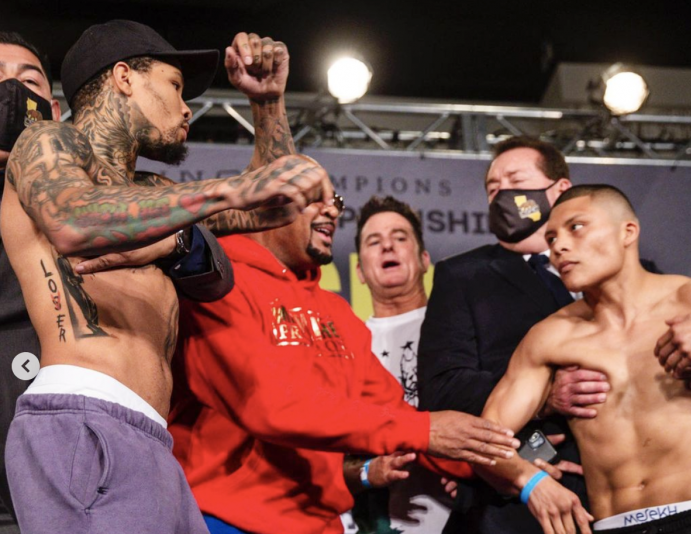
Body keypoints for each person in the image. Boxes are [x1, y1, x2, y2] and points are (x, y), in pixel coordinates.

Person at [167, 40, 520, 534]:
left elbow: (391, 412)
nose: (331, 210)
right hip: (226, 520)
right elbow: (268, 405)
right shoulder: (219, 284)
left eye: (334, 200)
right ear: (267, 204)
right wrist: (425, 430)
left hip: (323, 522)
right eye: (314, 198)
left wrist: (520, 474)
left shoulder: (337, 314)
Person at [1, 21, 337, 533]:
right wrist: (228, 190)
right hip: (82, 417)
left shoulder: (153, 191)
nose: (186, 110)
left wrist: (267, 103)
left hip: (150, 434)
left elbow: (275, 207)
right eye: (175, 86)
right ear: (124, 78)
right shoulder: (47, 142)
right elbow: (74, 219)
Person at [476, 185, 691, 534]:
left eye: (576, 227)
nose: (559, 247)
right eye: (551, 238)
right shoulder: (551, 337)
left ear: (628, 232)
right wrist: (530, 482)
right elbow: (486, 439)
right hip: (610, 525)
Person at [418, 137, 598, 533]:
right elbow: (442, 389)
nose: (502, 194)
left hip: (625, 495)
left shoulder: (616, 272)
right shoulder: (463, 275)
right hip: (517, 497)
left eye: (516, 181)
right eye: (493, 188)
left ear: (560, 190)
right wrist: (543, 399)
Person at [344, 195, 451, 533]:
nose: (387, 246)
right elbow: (325, 462)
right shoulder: (345, 347)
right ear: (359, 271)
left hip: (469, 516)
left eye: (400, 237)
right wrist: (367, 471)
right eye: (374, 242)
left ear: (424, 259)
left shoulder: (460, 330)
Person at [0, 30, 62, 534]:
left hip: (56, 494)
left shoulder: (89, 205)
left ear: (54, 112)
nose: (11, 91)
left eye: (28, 81)